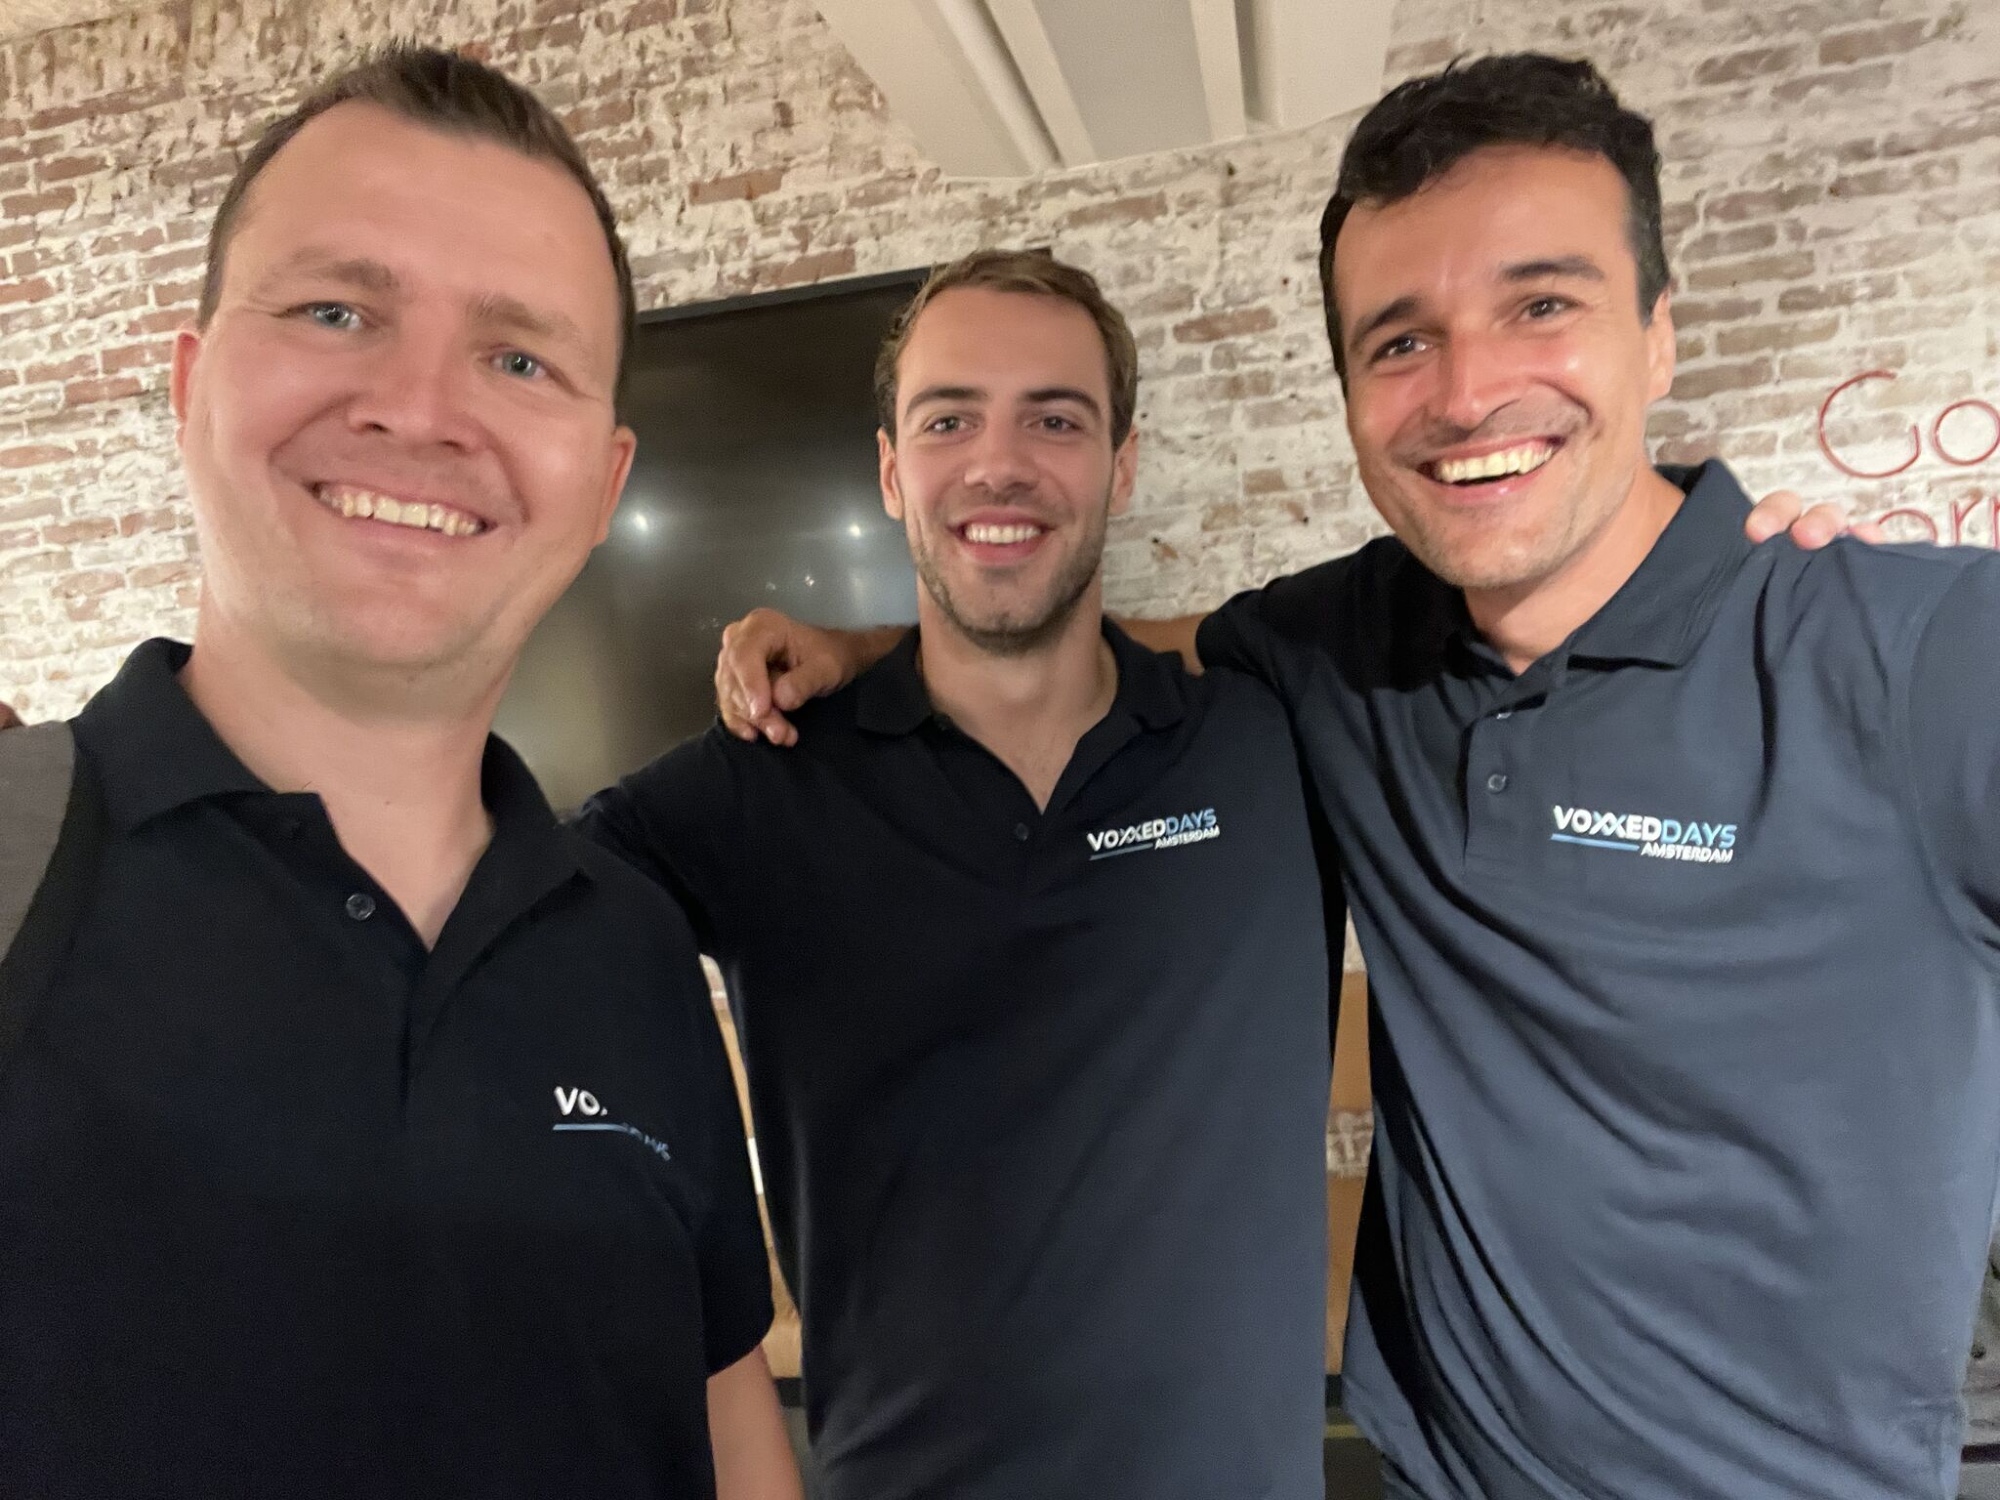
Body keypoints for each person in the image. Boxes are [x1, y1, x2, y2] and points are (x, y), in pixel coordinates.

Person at [714, 54, 1991, 1500]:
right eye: (1399, 341)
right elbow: (1087, 647)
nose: (1468, 390)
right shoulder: (1339, 647)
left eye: (1541, 305)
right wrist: (870, 647)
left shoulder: (1923, 655)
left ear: (1658, 337)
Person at [0, 47, 798, 1500]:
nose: (420, 409)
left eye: (519, 358)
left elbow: (726, 1422)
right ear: (190, 385)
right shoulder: (16, 869)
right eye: (336, 311)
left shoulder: (633, 947)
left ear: (604, 484)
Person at [572, 249, 1340, 1499]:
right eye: (948, 420)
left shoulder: (1270, 747)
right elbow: (480, 944)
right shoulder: (761, 784)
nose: (998, 464)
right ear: (890, 472)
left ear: (1121, 466)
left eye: (1054, 419)